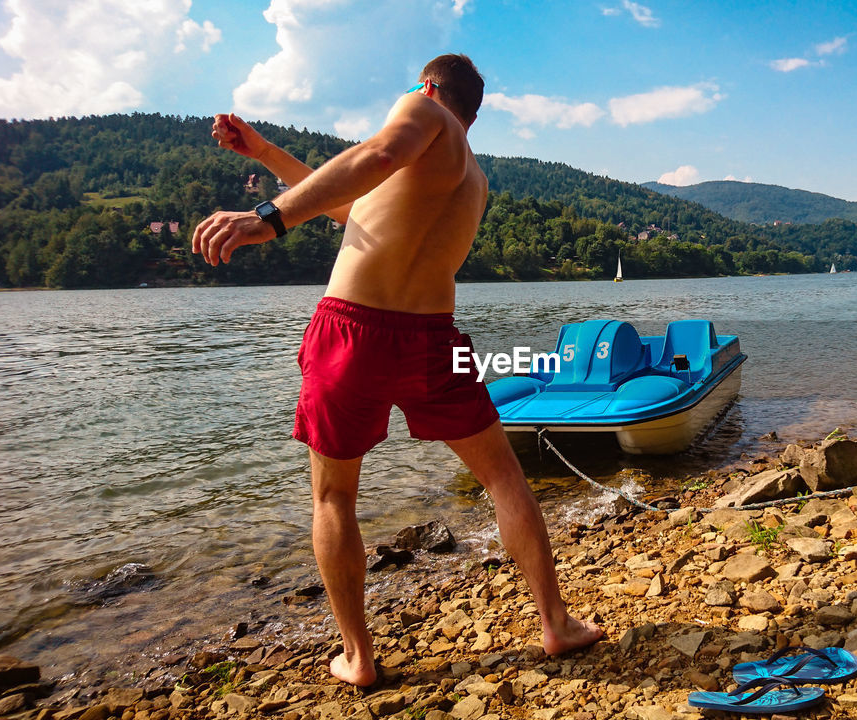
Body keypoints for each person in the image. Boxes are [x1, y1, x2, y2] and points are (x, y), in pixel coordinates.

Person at [192, 54, 603, 687]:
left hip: (353, 328)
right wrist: (267, 151)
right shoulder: (471, 177)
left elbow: (378, 157)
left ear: (429, 87)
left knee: (334, 495)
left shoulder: (420, 110)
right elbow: (357, 208)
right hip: (433, 338)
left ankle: (358, 657)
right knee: (501, 477)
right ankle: (556, 623)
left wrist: (266, 217)